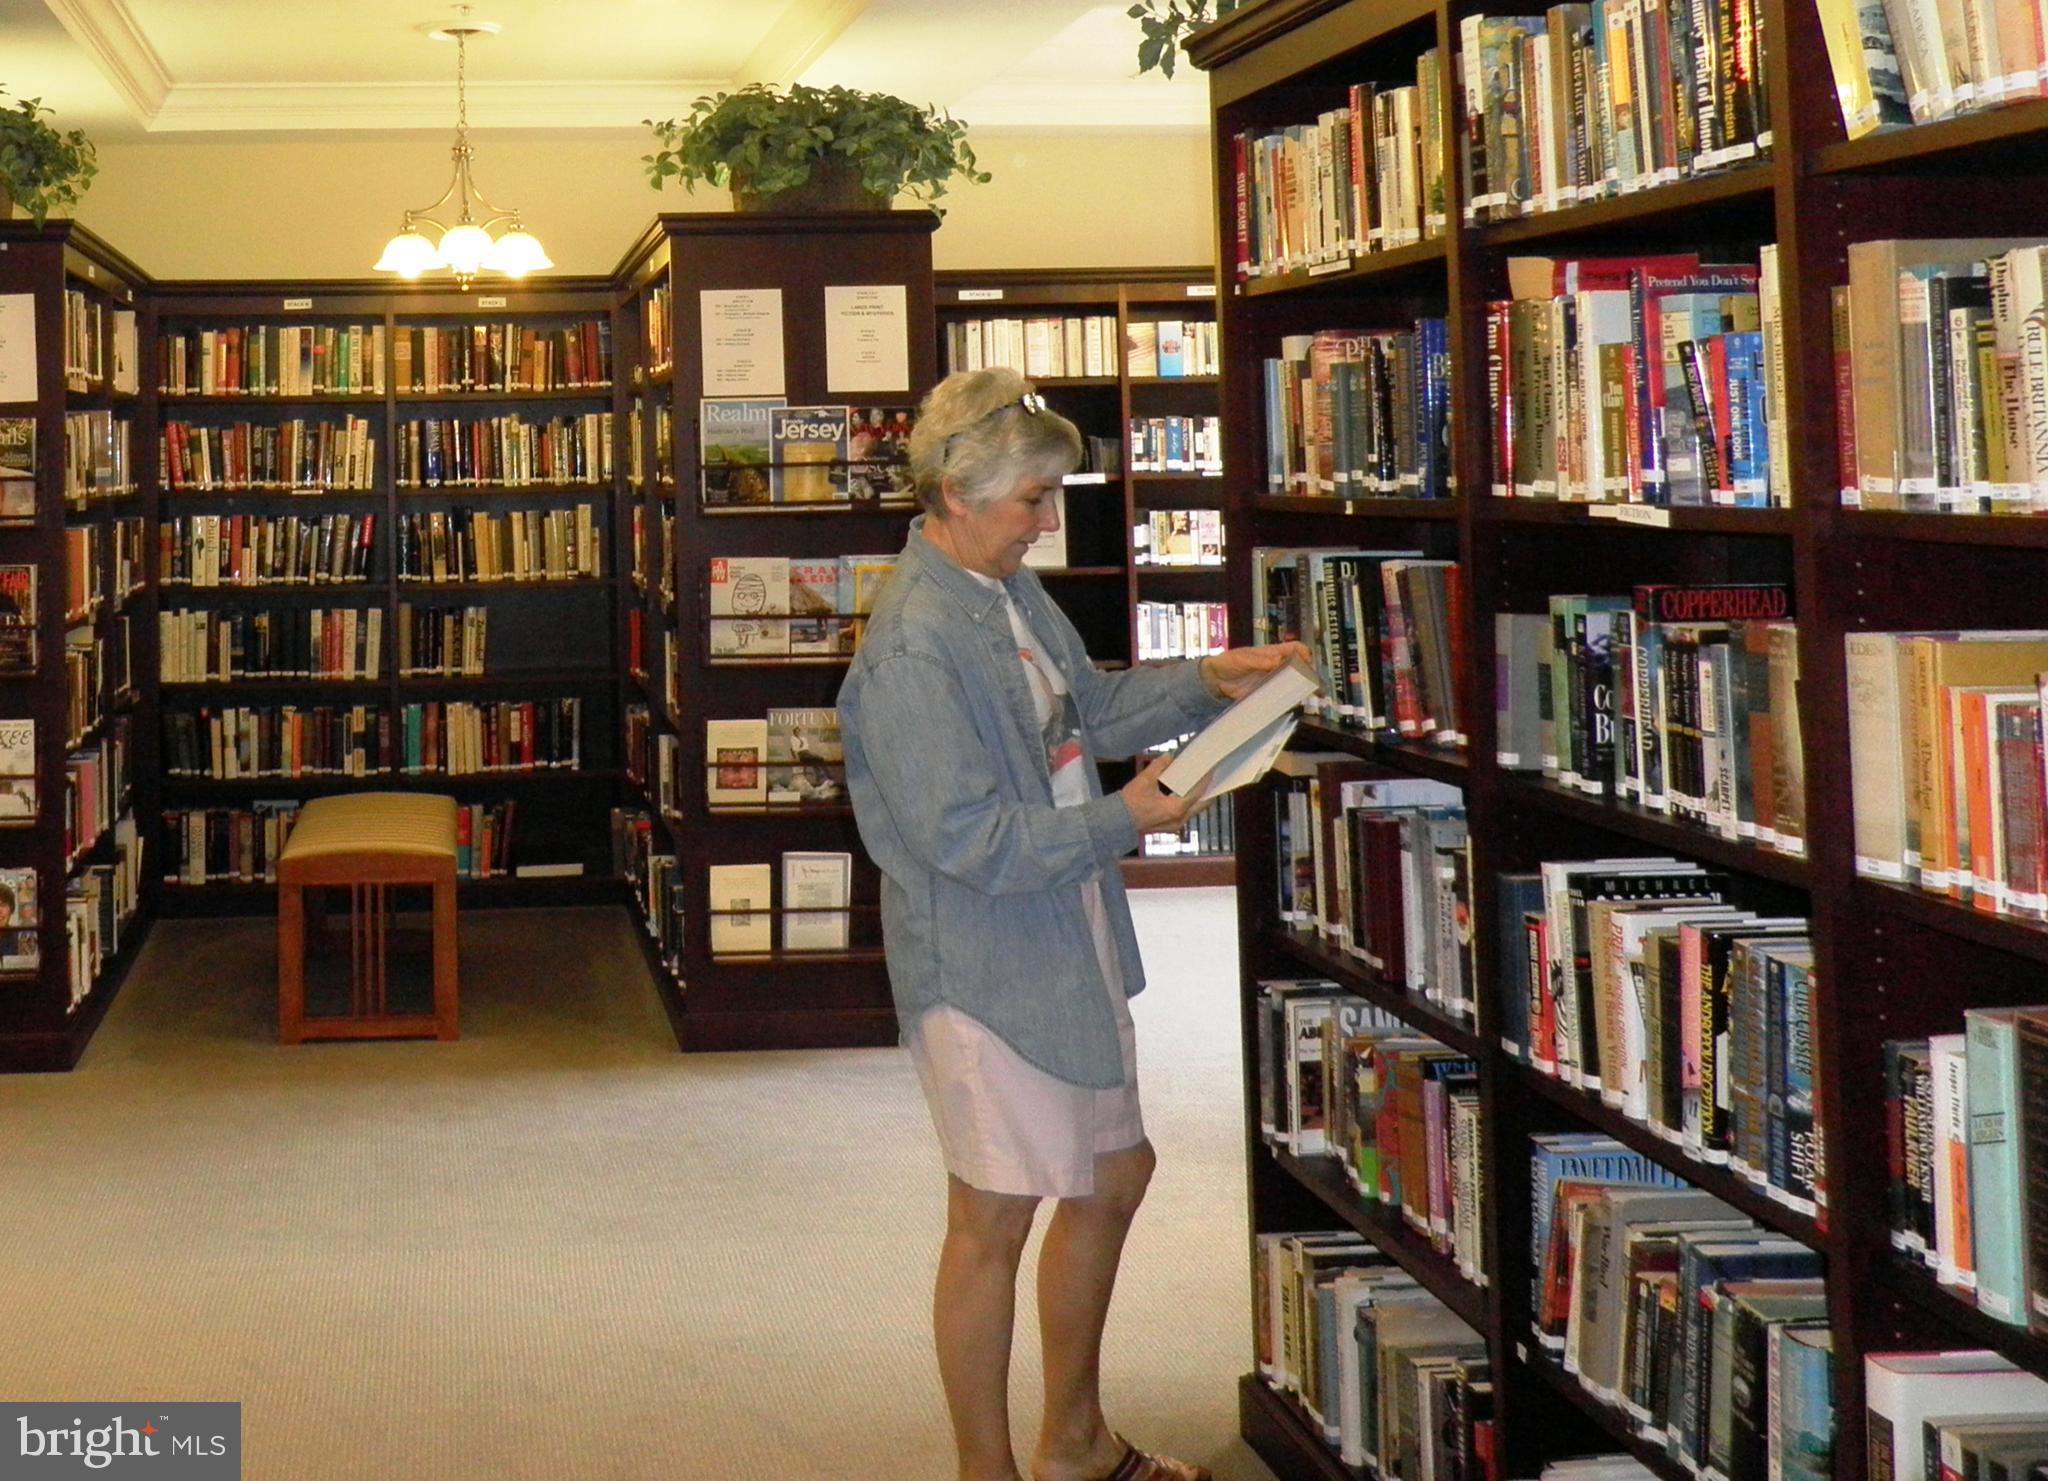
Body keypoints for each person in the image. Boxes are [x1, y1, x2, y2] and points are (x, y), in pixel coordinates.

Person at [838, 367, 1312, 1481]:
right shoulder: (912, 646)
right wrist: (1130, 814)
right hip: (986, 962)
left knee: (1112, 1173)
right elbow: (968, 841)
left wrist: (1208, 677)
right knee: (992, 1214)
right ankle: (989, 1469)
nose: (1049, 520)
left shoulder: (1000, 592)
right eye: (1032, 499)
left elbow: (1087, 707)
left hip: (1066, 929)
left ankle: (1075, 1439)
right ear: (957, 490)